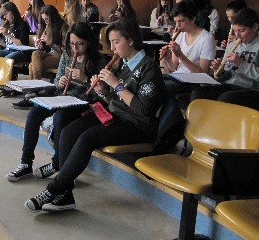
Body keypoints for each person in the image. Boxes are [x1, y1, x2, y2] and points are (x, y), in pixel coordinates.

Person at [23, 18, 165, 212]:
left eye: (116, 42)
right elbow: (112, 100)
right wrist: (101, 90)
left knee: (87, 138)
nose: (113, 48)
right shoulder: (124, 64)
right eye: (111, 43)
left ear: (130, 40)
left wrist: (116, 84)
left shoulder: (149, 68)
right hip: (115, 114)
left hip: (136, 124)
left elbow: (143, 109)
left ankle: (54, 189)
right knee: (68, 132)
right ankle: (66, 195)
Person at [6, 22, 107, 182]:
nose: (75, 48)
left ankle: (58, 163)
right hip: (63, 97)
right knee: (34, 112)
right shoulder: (67, 55)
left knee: (61, 117)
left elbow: (100, 95)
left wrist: (85, 79)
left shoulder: (98, 60)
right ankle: (26, 163)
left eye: (80, 44)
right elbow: (57, 81)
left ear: (89, 42)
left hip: (83, 102)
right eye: (72, 43)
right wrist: (60, 81)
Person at [190, 8, 259, 114]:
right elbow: (225, 74)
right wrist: (219, 71)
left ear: (255, 27)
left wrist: (241, 64)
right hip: (229, 85)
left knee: (226, 99)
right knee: (198, 94)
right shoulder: (232, 45)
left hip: (255, 90)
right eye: (235, 30)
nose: (237, 35)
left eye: (242, 31)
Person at [12, 5, 69, 109]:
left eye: (47, 19)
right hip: (50, 54)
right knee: (35, 54)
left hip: (61, 57)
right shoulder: (45, 27)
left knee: (31, 66)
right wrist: (41, 45)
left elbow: (66, 51)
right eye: (43, 20)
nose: (45, 22)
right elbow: (45, 49)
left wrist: (50, 43)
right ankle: (35, 92)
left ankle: (31, 92)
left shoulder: (63, 27)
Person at [160, 1, 216, 100]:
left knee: (160, 87)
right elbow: (174, 68)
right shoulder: (179, 36)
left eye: (181, 21)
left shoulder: (206, 39)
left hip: (194, 82)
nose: (177, 26)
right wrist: (168, 58)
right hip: (178, 77)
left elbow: (203, 75)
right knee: (152, 81)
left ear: (193, 19)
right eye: (176, 21)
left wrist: (181, 55)